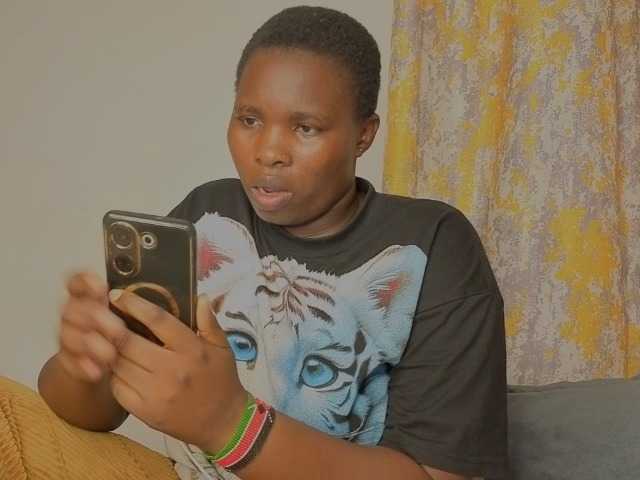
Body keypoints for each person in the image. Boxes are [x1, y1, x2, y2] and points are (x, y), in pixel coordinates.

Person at [34, 5, 507, 480]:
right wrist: (86, 361)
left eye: (305, 128)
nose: (268, 152)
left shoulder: (433, 244)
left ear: (364, 135)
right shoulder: (210, 213)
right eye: (249, 119)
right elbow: (93, 413)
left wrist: (231, 426)